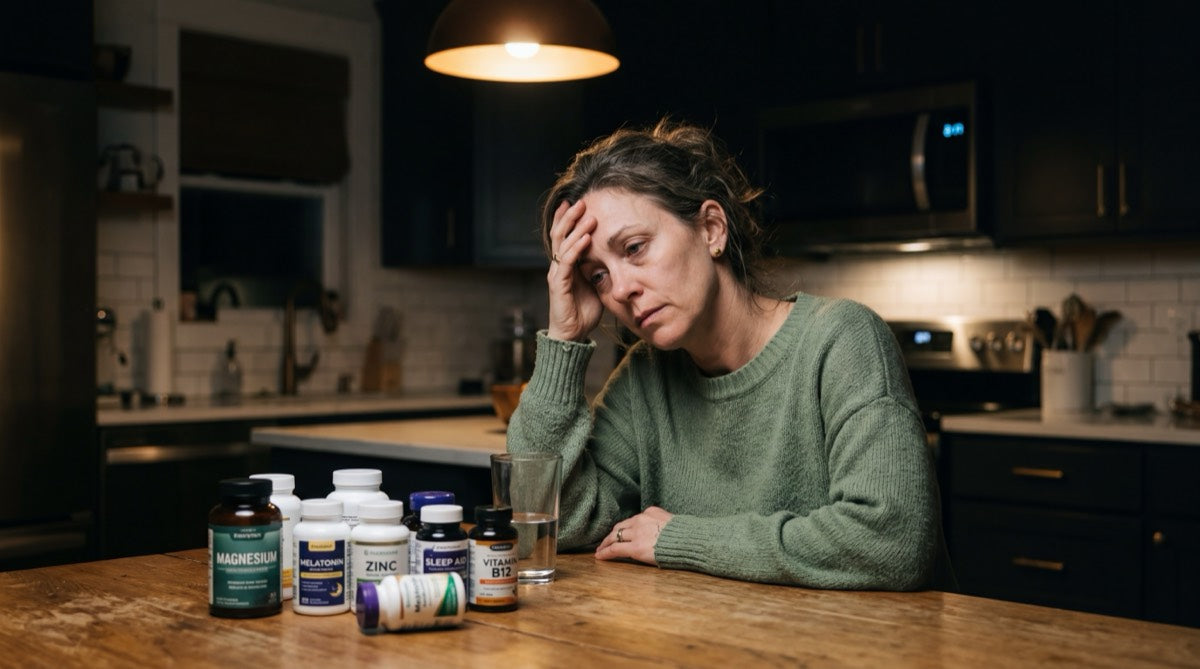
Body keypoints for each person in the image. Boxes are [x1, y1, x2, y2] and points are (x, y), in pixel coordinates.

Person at [505, 119, 944, 590]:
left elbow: (892, 541)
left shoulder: (841, 340)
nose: (621, 289)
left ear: (712, 229)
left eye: (634, 248)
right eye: (598, 276)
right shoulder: (645, 379)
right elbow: (551, 523)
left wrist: (680, 539)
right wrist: (564, 339)